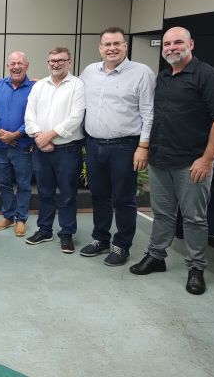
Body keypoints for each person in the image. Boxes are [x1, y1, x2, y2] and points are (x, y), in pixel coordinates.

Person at [130, 27, 214, 295]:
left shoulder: (208, 76)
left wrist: (207, 159)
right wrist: (146, 150)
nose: (171, 47)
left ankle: (196, 267)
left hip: (192, 163)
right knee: (162, 213)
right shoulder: (163, 78)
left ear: (191, 44)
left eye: (178, 42)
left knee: (194, 218)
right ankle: (156, 256)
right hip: (161, 160)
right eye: (167, 44)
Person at [79, 26, 155, 266]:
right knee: (99, 195)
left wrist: (143, 146)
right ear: (100, 48)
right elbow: (73, 93)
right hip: (93, 145)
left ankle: (122, 245)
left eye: (116, 44)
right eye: (107, 44)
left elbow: (149, 112)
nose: (111, 48)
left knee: (123, 198)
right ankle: (100, 238)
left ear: (125, 46)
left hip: (125, 146)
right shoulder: (90, 71)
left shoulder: (142, 73)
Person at [24, 47, 85, 252]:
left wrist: (48, 136)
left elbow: (76, 118)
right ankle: (45, 230)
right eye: (52, 61)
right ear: (48, 63)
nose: (56, 64)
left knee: (68, 194)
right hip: (41, 149)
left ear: (69, 62)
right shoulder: (39, 86)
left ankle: (66, 233)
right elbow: (29, 115)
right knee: (44, 192)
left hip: (67, 149)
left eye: (60, 60)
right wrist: (39, 138)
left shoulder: (77, 86)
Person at [0, 51, 34, 237]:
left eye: (20, 63)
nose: (16, 67)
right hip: (0, 146)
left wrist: (15, 134)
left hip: (22, 147)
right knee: (4, 183)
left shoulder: (35, 88)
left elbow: (35, 116)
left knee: (23, 184)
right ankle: (8, 216)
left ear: (27, 65)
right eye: (13, 63)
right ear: (8, 66)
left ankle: (21, 219)